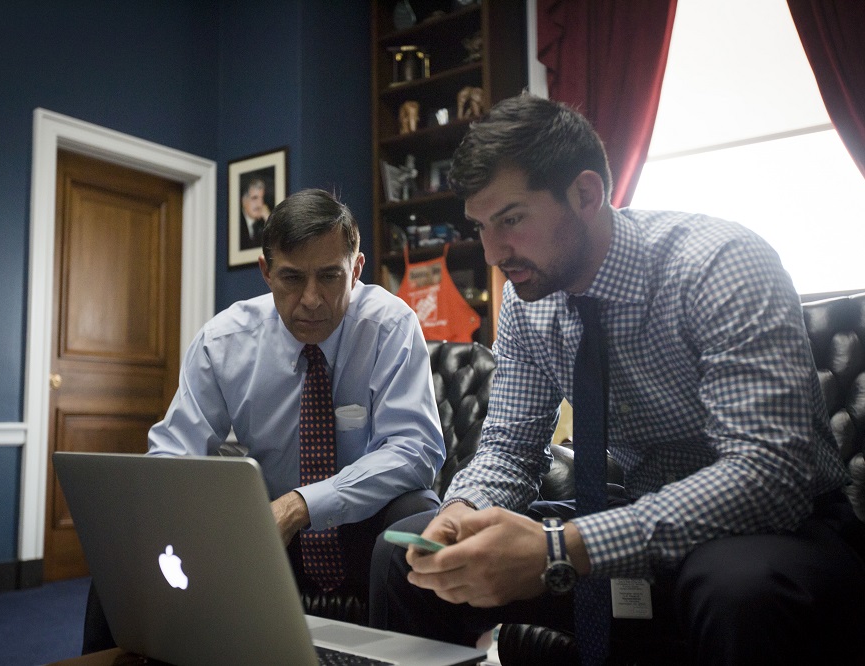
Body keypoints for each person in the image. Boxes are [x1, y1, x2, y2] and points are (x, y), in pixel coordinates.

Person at [369, 93, 865, 665]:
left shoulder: (719, 264)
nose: (493, 251)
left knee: (735, 587)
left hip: (785, 531)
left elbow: (767, 474)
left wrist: (563, 548)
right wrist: (461, 513)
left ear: (585, 194)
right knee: (404, 558)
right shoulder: (530, 303)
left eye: (511, 220)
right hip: (633, 517)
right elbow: (508, 447)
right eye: (480, 226)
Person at [84, 188, 445, 653]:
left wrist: (302, 504)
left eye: (330, 277)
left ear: (355, 269)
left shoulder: (391, 326)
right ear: (266, 272)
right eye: (292, 278)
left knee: (413, 513)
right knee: (122, 555)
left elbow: (415, 450)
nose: (311, 300)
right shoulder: (224, 342)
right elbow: (172, 458)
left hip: (365, 525)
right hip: (265, 531)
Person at [239, 177, 271, 249]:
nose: (260, 204)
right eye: (254, 198)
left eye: (262, 198)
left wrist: (269, 220)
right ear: (244, 201)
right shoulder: (237, 223)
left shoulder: (264, 224)